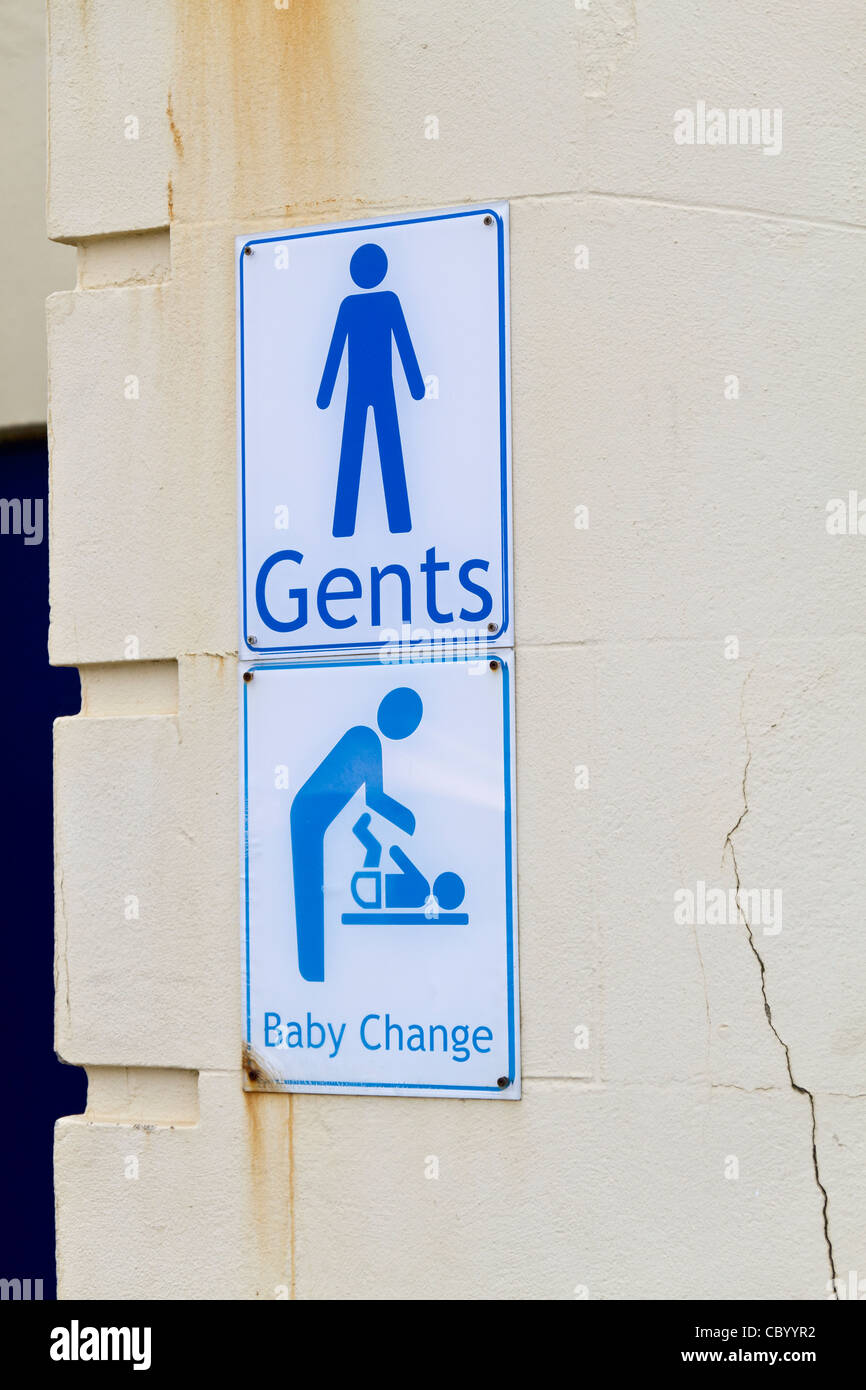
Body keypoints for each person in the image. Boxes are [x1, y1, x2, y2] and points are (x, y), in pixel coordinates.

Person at [290, 687, 422, 981]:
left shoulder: (367, 739)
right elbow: (374, 799)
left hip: (314, 817)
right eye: (410, 723)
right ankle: (311, 972)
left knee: (311, 892)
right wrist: (407, 819)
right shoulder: (367, 740)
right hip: (311, 820)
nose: (410, 731)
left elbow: (372, 797)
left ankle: (313, 972)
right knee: (309, 892)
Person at [316, 243, 425, 538]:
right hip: (374, 387)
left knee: (364, 450)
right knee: (374, 449)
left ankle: (355, 525)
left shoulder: (363, 304)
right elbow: (337, 347)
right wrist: (416, 385)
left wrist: (325, 393)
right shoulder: (374, 303)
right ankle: (378, 523)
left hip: (368, 388)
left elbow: (401, 341)